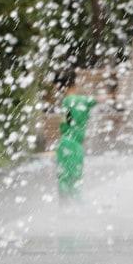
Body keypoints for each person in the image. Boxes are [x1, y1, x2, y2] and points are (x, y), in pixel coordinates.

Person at [55, 71, 96, 200]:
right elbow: (94, 100)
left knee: (64, 180)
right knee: (76, 179)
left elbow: (64, 125)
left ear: (59, 86)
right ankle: (79, 210)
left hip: (66, 143)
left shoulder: (66, 101)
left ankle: (67, 211)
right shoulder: (83, 100)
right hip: (78, 146)